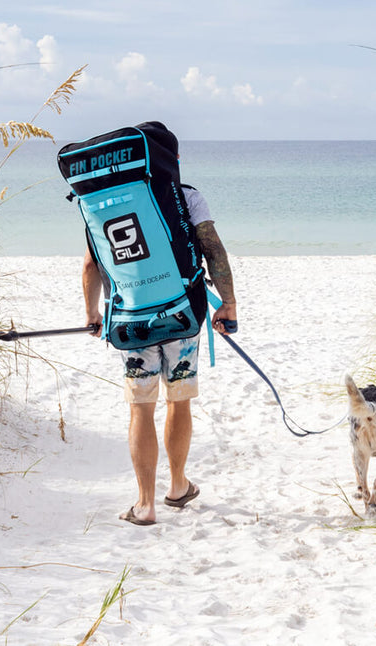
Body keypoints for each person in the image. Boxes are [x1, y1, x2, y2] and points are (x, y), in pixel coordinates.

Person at [82, 155, 237, 526]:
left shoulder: (105, 200)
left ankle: (145, 504)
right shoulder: (187, 196)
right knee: (178, 400)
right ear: (168, 159)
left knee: (140, 409)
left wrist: (92, 314)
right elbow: (213, 250)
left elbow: (91, 264)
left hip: (132, 323)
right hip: (182, 315)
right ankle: (178, 485)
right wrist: (228, 303)